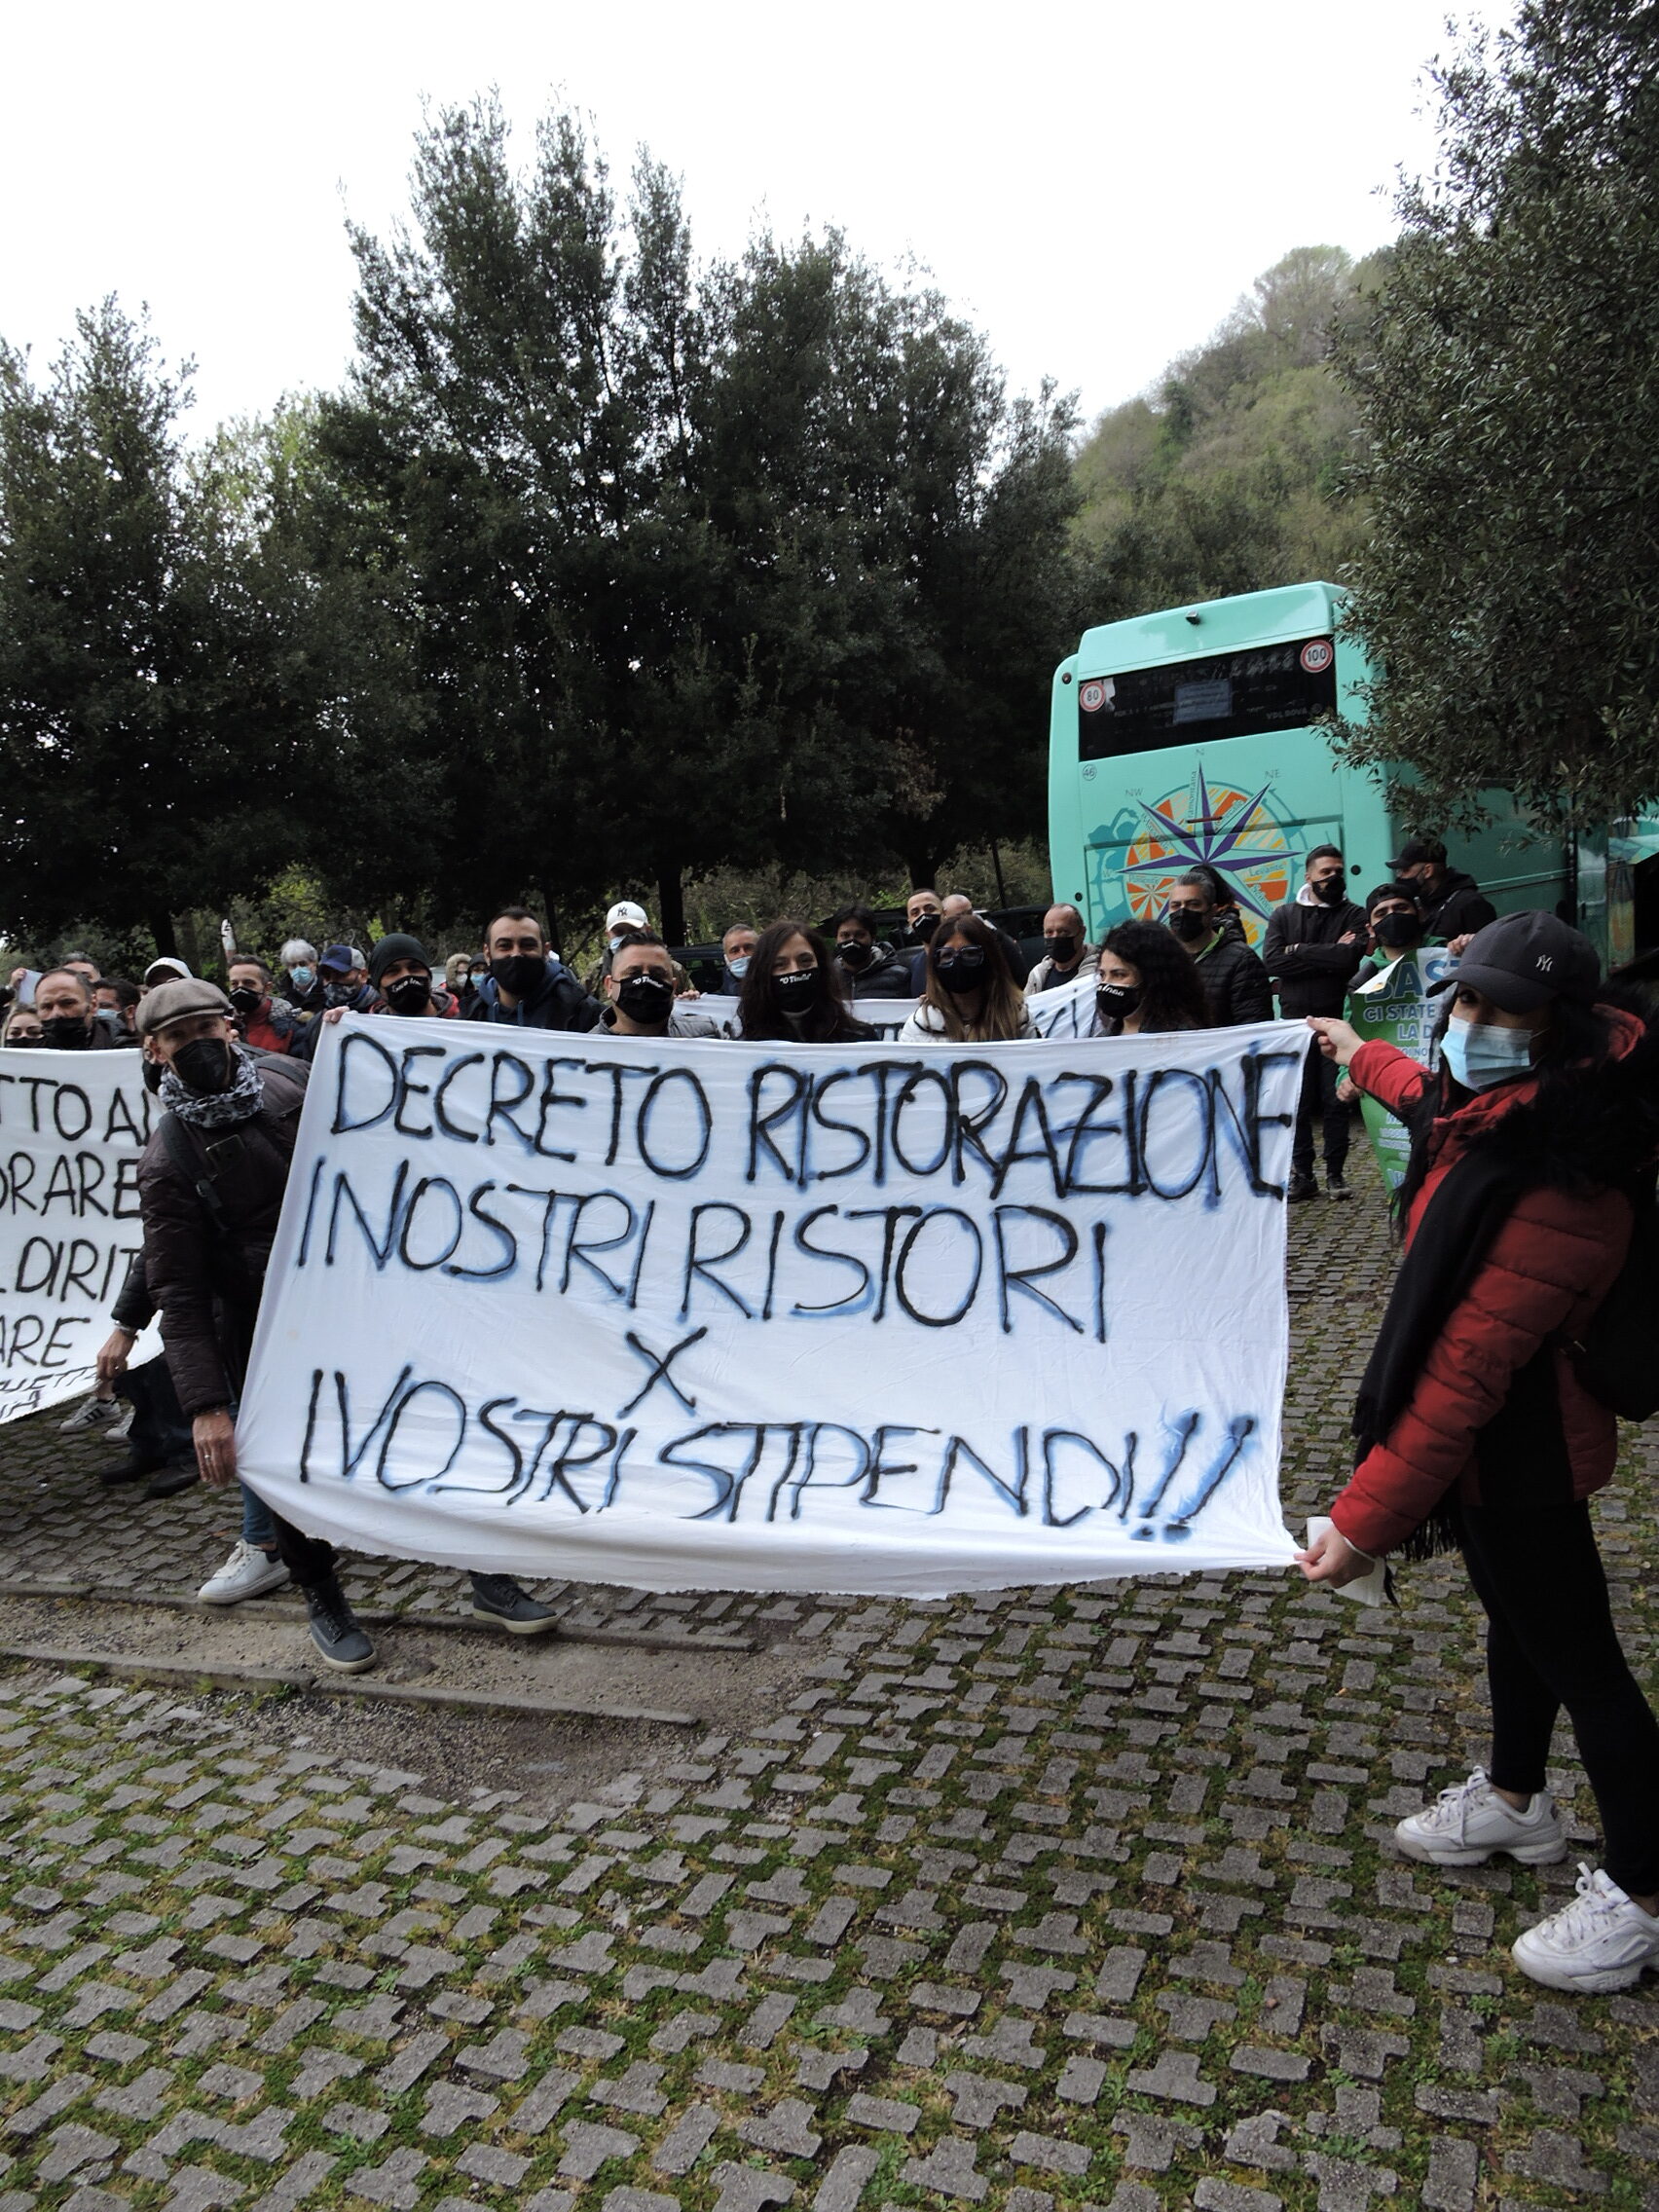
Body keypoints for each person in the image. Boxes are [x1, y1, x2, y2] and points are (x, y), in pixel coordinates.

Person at [1299, 910, 1659, 1992]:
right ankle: (1514, 1802)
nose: (1471, 1024)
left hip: (1528, 1450)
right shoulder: (1510, 1114)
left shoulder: (1568, 1174)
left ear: (1559, 1030)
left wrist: (1366, 1523)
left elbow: (1465, 1376)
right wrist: (1353, 1047)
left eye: (1501, 1011)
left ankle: (1645, 1893)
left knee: (1584, 1663)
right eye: (1464, 1000)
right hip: (1499, 1457)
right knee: (1521, 1619)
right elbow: (1435, 1104)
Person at [1263, 846, 1368, 1203]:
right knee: (1297, 1101)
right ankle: (1302, 1174)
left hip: (1338, 1021)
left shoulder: (1354, 914)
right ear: (1308, 875)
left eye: (1338, 871)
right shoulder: (1283, 915)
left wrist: (1299, 951)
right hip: (1294, 1024)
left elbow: (1350, 958)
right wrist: (1327, 953)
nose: (1333, 878)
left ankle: (1336, 1174)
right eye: (1325, 872)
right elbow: (1273, 962)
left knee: (1336, 1100)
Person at [902, 911, 1036, 1044]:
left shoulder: (1019, 1020)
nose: (957, 961)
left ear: (989, 958)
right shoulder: (918, 1028)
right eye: (947, 955)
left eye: (970, 953)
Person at [738, 921, 878, 1044]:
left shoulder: (860, 1037)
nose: (794, 971)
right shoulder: (746, 1047)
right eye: (780, 964)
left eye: (805, 961)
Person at [1165, 873, 1274, 1026]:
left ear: (1212, 911)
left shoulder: (1242, 960)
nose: (1183, 912)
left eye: (1194, 904)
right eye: (1176, 906)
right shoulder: (1161, 959)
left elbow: (1254, 1028)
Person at [470, 908, 600, 1032]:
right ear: (487, 954)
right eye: (505, 946)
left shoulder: (584, 1013)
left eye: (527, 945)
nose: (516, 954)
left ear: (545, 952)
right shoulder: (469, 1018)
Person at [1089, 920, 1210, 1037]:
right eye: (1102, 974)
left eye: (1119, 975)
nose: (1106, 983)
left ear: (1152, 979)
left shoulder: (1183, 1036)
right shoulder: (1102, 1040)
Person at [599, 935, 721, 1038]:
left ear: (673, 986)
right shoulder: (587, 1055)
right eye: (633, 973)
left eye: (657, 974)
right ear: (610, 986)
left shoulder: (704, 1036)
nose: (646, 981)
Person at [1391, 835, 1497, 943]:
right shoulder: (1422, 905)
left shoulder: (1470, 903)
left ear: (1428, 870)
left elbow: (1489, 947)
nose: (1400, 876)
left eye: (1405, 870)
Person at [830, 903, 917, 1001]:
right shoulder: (826, 981)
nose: (852, 942)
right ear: (836, 939)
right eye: (845, 935)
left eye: (860, 935)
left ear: (873, 938)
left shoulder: (900, 978)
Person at [940, 894, 1029, 985]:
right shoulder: (940, 939)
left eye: (969, 913)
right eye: (959, 915)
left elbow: (1018, 970)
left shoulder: (991, 934)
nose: (966, 919)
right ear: (944, 914)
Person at [367, 934, 461, 1019]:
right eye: (393, 971)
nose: (406, 976)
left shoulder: (466, 1021)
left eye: (414, 967)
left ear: (429, 975)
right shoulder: (367, 1035)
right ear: (377, 985)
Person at [34, 969, 124, 1051]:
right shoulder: (29, 1055)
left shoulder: (128, 1052)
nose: (56, 1013)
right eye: (47, 1007)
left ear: (93, 1004)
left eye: (67, 1003)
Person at [227, 958, 300, 1054]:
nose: (240, 989)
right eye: (234, 984)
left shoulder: (289, 1027)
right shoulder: (224, 1026)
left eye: (248, 984)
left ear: (267, 988)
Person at [1025, 904, 1095, 997]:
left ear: (1082, 932)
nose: (1055, 937)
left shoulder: (1101, 973)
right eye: (1049, 932)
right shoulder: (1037, 976)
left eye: (1063, 932)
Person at [280, 940, 327, 1019]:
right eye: (293, 965)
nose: (298, 968)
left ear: (314, 963)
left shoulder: (329, 990)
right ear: (288, 968)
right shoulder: (284, 998)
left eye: (302, 964)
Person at [95, 977, 142, 1043]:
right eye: (93, 1006)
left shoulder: (145, 1045)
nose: (96, 1011)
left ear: (130, 1011)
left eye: (104, 1006)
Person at [718, 923, 758, 997]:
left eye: (748, 948)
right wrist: (692, 1001)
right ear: (726, 959)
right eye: (735, 951)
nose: (743, 954)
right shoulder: (718, 1000)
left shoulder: (779, 987)